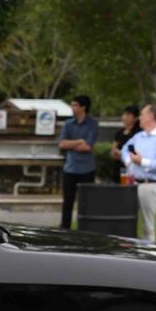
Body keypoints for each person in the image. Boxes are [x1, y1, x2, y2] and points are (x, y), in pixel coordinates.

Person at [121, 103, 156, 241]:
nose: (139, 117)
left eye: (142, 114)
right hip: (131, 185)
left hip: (150, 186)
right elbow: (125, 149)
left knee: (147, 227)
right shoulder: (139, 136)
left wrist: (142, 161)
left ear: (151, 117)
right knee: (126, 223)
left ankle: (149, 258)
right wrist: (129, 160)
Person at [58, 95, 98, 229]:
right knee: (67, 202)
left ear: (83, 107)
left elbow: (87, 147)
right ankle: (65, 229)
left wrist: (73, 144)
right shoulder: (68, 124)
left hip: (87, 169)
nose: (72, 108)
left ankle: (84, 230)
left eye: (75, 105)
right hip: (70, 169)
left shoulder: (92, 124)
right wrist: (79, 141)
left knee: (86, 203)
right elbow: (62, 144)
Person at [110, 105, 140, 183]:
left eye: (128, 115)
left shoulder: (139, 134)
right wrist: (116, 154)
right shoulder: (119, 133)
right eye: (124, 114)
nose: (124, 117)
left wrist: (122, 155)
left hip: (131, 170)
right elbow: (113, 151)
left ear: (136, 118)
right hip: (117, 169)